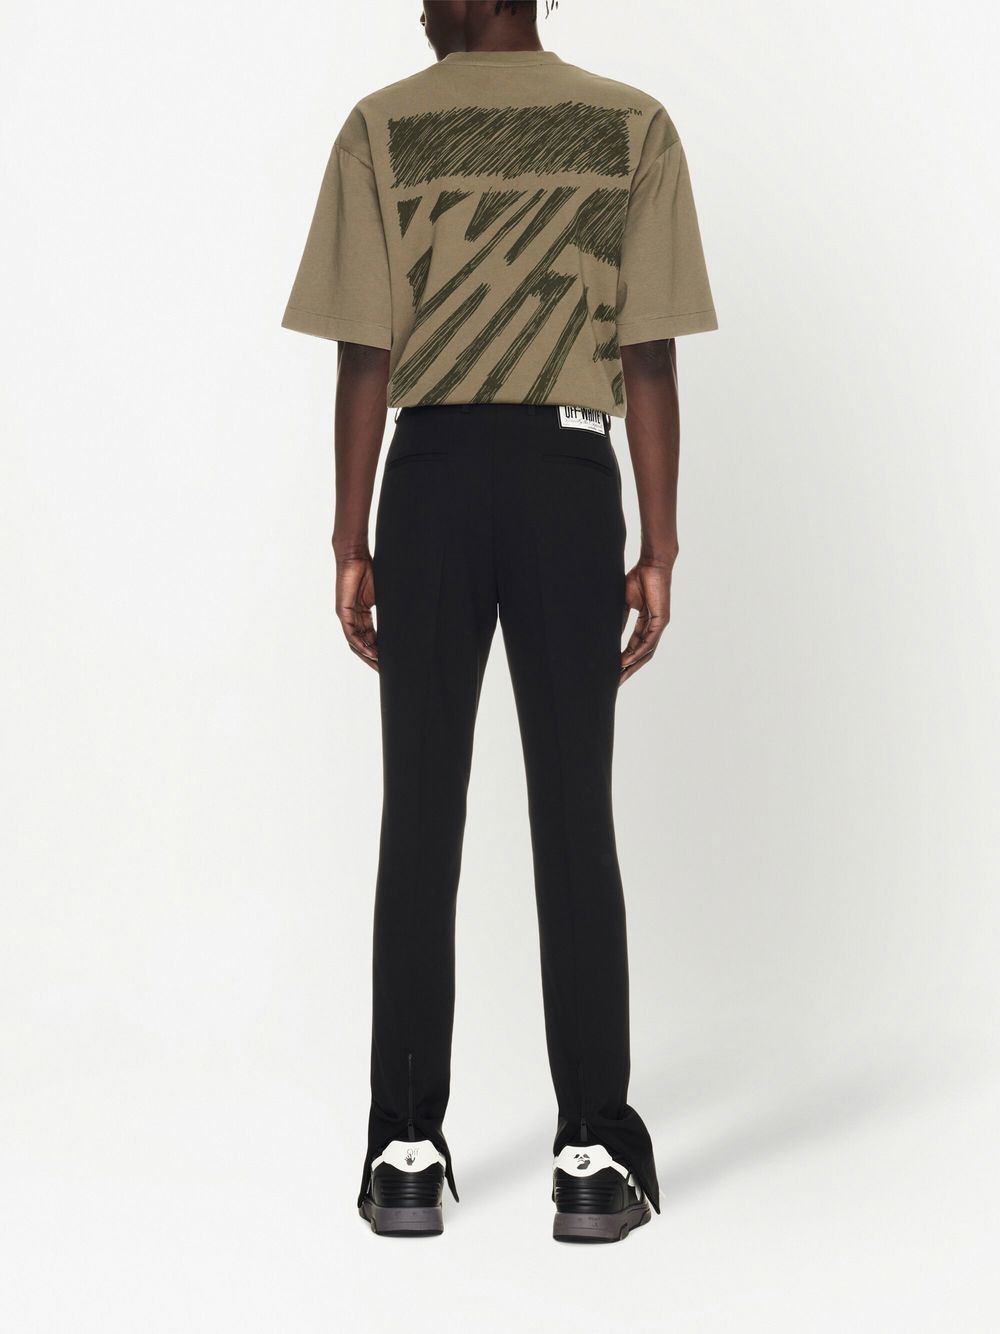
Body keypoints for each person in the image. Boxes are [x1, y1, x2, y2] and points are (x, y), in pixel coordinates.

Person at [281, 0, 717, 1243]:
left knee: (419, 809)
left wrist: (350, 536)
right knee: (575, 810)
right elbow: (647, 354)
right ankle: (593, 1151)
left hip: (426, 476)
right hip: (567, 481)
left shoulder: (380, 127)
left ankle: (402, 1149)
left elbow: (366, 353)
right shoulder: (630, 126)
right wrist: (658, 543)